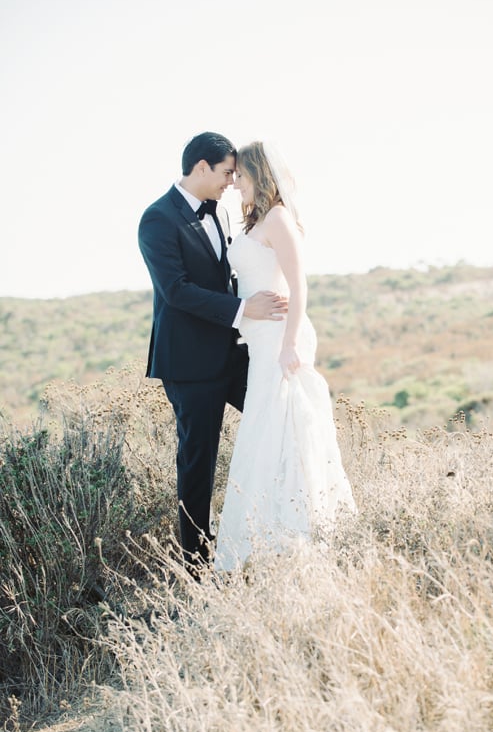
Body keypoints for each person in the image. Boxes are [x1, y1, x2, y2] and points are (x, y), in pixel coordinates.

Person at [138, 132, 288, 574]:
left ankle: (284, 528)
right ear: (201, 168)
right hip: (188, 364)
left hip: (234, 354)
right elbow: (177, 291)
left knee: (279, 421)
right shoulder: (157, 219)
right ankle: (196, 566)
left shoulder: (220, 214)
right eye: (226, 173)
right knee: (197, 462)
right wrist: (244, 309)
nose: (230, 182)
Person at [214, 140, 355, 572]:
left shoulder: (278, 219)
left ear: (259, 174)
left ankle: (295, 532)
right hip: (258, 342)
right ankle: (264, 538)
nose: (235, 184)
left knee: (285, 430)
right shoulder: (256, 223)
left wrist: (291, 342)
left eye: (241, 176)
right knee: (264, 431)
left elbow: (299, 285)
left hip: (279, 339)